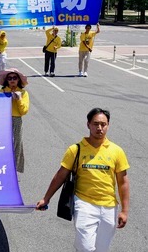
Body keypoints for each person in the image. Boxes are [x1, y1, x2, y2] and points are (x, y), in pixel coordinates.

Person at [36, 108, 129, 252]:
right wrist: (46, 198)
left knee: (102, 249)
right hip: (84, 204)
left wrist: (124, 210)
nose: (99, 128)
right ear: (88, 125)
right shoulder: (75, 150)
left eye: (103, 124)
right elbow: (60, 175)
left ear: (108, 125)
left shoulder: (117, 151)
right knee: (85, 247)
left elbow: (123, 182)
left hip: (109, 207)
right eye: (95, 124)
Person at [0, 68, 29, 173]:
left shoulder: (23, 93)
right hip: (4, 120)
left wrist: (18, 100)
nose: (12, 80)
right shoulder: (1, 92)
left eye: (15, 78)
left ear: (18, 80)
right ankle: (3, 167)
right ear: (7, 80)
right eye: (10, 78)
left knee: (16, 144)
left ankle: (13, 170)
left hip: (16, 120)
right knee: (4, 144)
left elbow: (24, 111)